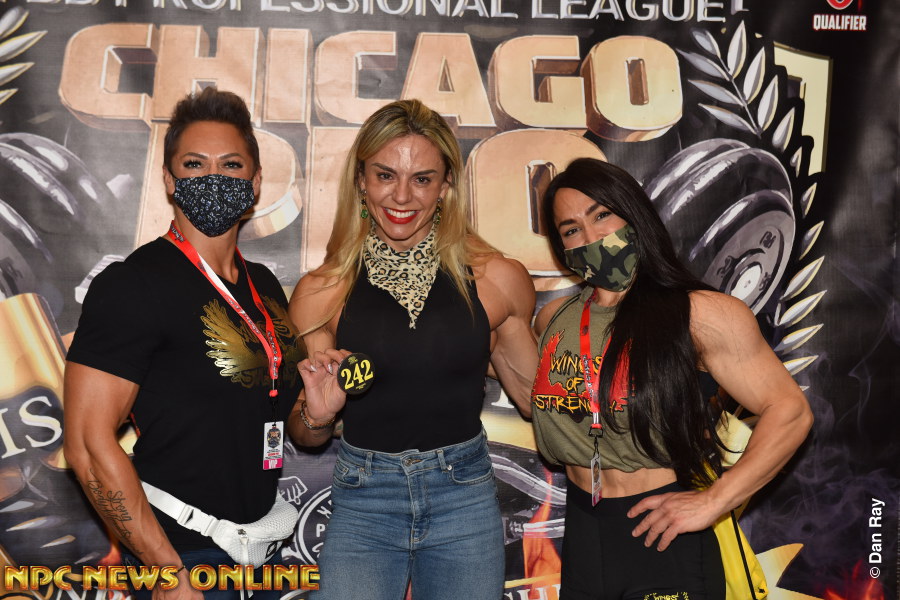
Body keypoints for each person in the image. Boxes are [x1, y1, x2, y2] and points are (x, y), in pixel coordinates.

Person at [63, 87, 328, 599]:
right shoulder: (133, 284)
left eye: (231, 165)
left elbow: (290, 425)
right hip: (182, 556)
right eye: (194, 164)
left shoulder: (265, 286)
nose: (213, 177)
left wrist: (318, 411)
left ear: (254, 183)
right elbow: (87, 445)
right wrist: (166, 572)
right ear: (169, 179)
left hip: (261, 550)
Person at [288, 99, 537, 600]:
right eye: (385, 175)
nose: (402, 195)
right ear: (361, 179)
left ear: (446, 185)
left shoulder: (498, 279)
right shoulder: (320, 292)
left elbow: (540, 403)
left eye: (422, 179)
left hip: (463, 495)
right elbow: (304, 433)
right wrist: (317, 415)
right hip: (365, 498)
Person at [531, 158, 813, 599]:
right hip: (585, 532)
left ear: (634, 214)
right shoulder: (554, 319)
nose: (590, 237)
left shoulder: (701, 313)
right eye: (571, 229)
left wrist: (716, 501)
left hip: (663, 531)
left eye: (601, 215)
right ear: (560, 246)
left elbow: (790, 411)